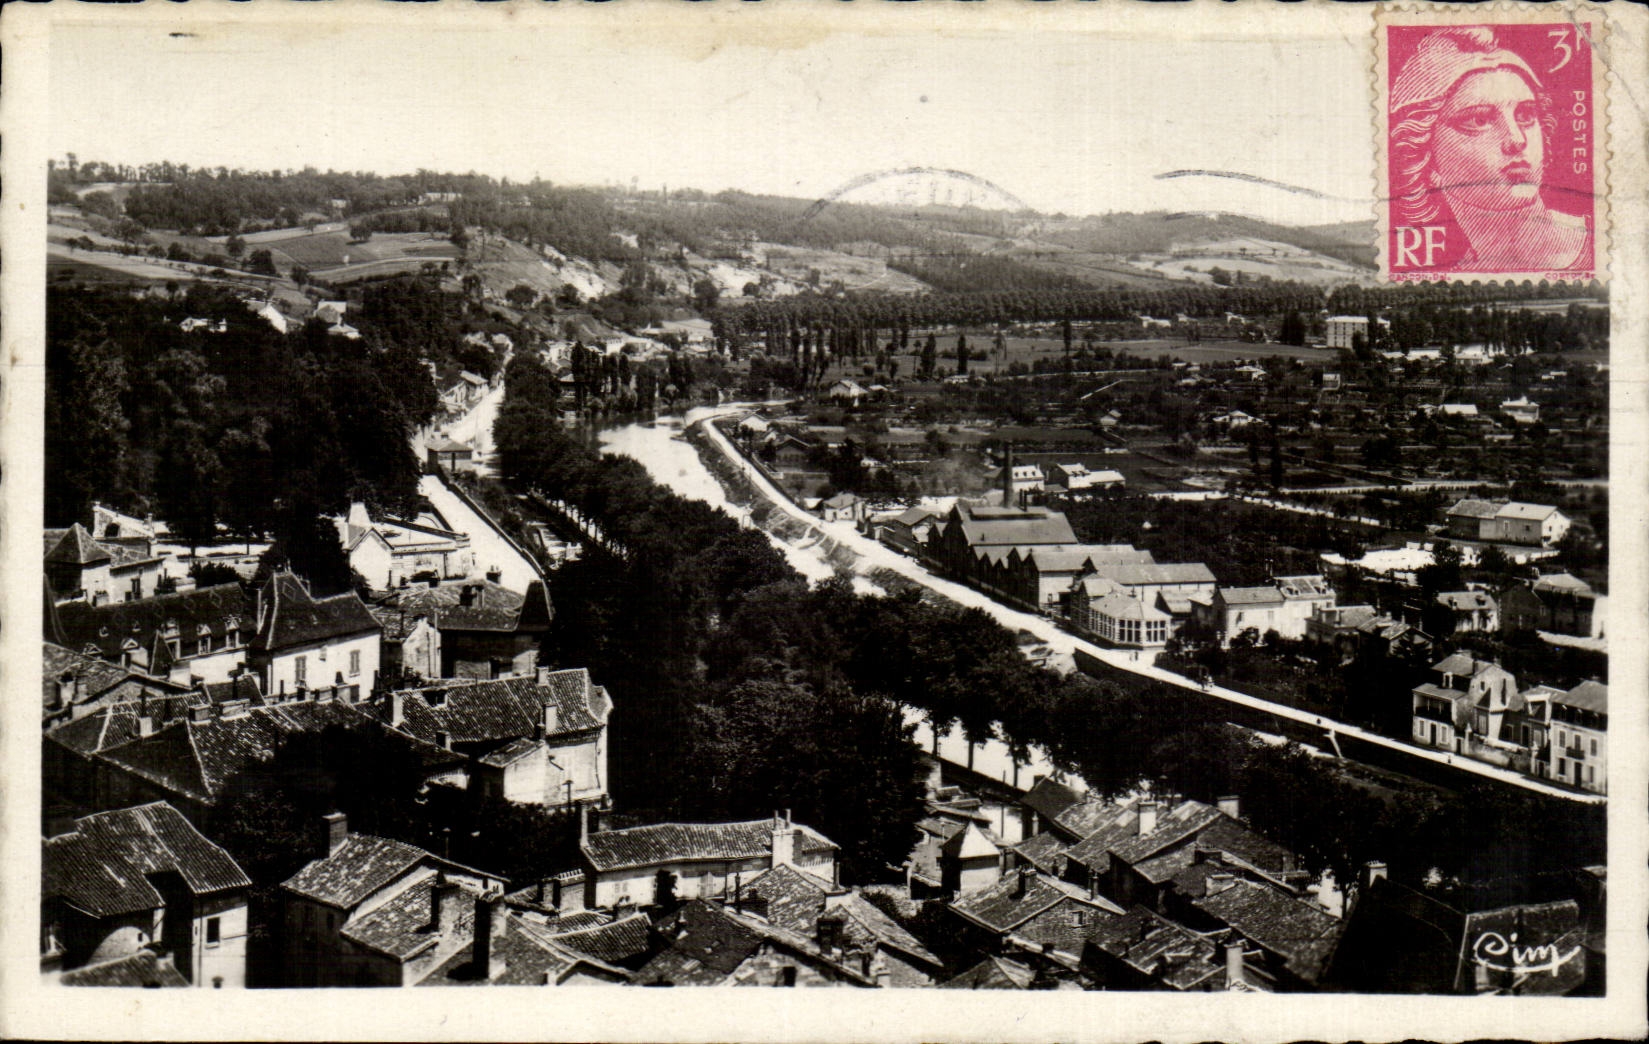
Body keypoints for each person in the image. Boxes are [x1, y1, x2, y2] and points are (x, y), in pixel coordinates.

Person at [1390, 27, 1590, 272]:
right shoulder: (1452, 277)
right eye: (1479, 120)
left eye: (1526, 115)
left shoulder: (1601, 243)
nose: (1516, 140)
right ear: (1425, 158)